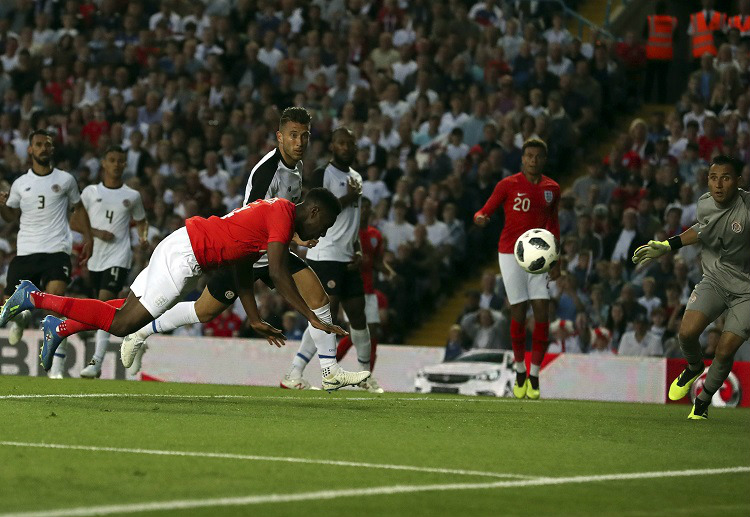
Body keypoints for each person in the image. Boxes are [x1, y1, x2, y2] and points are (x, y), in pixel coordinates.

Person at [1, 189, 370, 392]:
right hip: (185, 257)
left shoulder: (275, 214)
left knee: (129, 308)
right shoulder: (283, 215)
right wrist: (312, 319)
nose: (321, 236)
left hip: (183, 244)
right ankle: (33, 297)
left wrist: (254, 317)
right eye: (326, 227)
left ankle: (59, 327)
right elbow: (277, 270)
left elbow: (243, 267)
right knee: (122, 324)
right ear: (316, 212)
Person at [114, 107, 370, 388]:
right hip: (246, 254)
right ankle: (139, 333)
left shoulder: (296, 170)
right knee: (203, 312)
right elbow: (254, 220)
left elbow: (285, 219)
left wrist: (295, 238)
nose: (299, 142)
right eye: (293, 135)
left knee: (319, 298)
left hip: (273, 250)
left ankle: (328, 372)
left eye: (304, 136)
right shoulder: (267, 172)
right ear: (280, 137)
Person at [633, 155, 750, 419]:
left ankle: (703, 400)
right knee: (686, 334)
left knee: (725, 348)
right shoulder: (705, 203)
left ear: (739, 182)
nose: (718, 184)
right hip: (716, 280)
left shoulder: (747, 208)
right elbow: (702, 229)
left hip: (747, 291)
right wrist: (665, 246)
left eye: (726, 178)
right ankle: (694, 366)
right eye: (713, 178)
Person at [279, 128, 383, 393]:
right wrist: (349, 196)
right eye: (340, 142)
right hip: (324, 254)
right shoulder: (322, 175)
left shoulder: (356, 177)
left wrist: (358, 248)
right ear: (333, 146)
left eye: (350, 143)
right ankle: (295, 372)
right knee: (326, 316)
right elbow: (317, 206)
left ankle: (365, 375)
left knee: (359, 317)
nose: (345, 147)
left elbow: (354, 221)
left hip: (347, 257)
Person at [46, 146, 148, 379]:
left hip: (119, 257)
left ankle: (96, 362)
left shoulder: (132, 196)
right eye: (112, 160)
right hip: (94, 260)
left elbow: (142, 221)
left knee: (104, 303)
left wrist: (142, 237)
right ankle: (135, 339)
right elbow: (73, 221)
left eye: (121, 161)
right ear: (103, 163)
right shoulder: (91, 192)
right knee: (99, 310)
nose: (117, 165)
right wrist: (96, 233)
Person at [0, 129, 93, 379]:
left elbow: (78, 208)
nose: (44, 148)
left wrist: (89, 236)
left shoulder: (66, 180)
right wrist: (1, 205)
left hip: (56, 250)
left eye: (47, 145)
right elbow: (11, 216)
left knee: (57, 301)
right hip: (26, 250)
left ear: (52, 150)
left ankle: (58, 368)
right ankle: (20, 319)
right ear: (30, 149)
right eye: (39, 144)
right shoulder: (20, 184)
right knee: (7, 305)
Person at [474, 138, 560, 399]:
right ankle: (520, 370)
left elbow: (553, 224)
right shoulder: (507, 185)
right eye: (529, 156)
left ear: (543, 160)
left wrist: (556, 258)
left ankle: (534, 376)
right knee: (519, 313)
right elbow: (486, 209)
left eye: (538, 156)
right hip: (510, 253)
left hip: (539, 256)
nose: (533, 160)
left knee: (542, 313)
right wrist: (480, 217)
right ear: (522, 159)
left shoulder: (552, 188)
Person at [335, 196, 396, 378]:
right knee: (357, 332)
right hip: (351, 290)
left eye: (368, 208)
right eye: (362, 207)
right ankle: (332, 366)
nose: (365, 211)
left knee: (372, 331)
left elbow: (376, 262)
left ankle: (366, 375)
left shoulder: (375, 235)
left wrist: (389, 272)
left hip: (369, 290)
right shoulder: (348, 233)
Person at [644, 1, 677, 103]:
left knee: (649, 80)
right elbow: (676, 38)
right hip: (665, 56)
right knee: (662, 81)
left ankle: (646, 101)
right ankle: (661, 103)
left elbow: (644, 35)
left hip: (652, 56)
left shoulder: (650, 20)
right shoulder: (673, 21)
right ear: (666, 10)